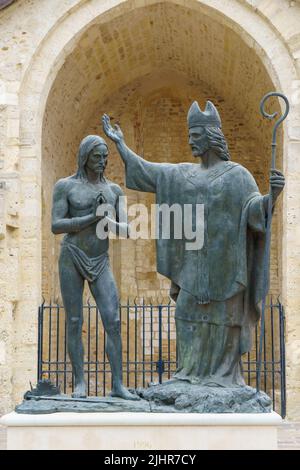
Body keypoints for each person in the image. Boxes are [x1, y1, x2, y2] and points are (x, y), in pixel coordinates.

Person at [102, 101, 285, 387]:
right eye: (189, 136)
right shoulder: (182, 174)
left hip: (226, 265)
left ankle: (223, 379)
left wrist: (271, 197)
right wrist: (122, 145)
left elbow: (253, 212)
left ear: (211, 137)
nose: (190, 142)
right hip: (192, 267)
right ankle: (188, 375)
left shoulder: (238, 175)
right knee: (186, 314)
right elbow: (149, 172)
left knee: (224, 323)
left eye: (195, 136)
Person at [52, 135, 139, 399]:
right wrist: (92, 216)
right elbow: (56, 225)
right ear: (85, 157)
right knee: (75, 320)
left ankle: (118, 384)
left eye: (105, 157)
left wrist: (108, 220)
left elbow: (127, 230)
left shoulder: (114, 191)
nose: (101, 161)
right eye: (96, 157)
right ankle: (80, 382)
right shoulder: (65, 186)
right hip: (72, 255)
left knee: (112, 320)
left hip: (100, 259)